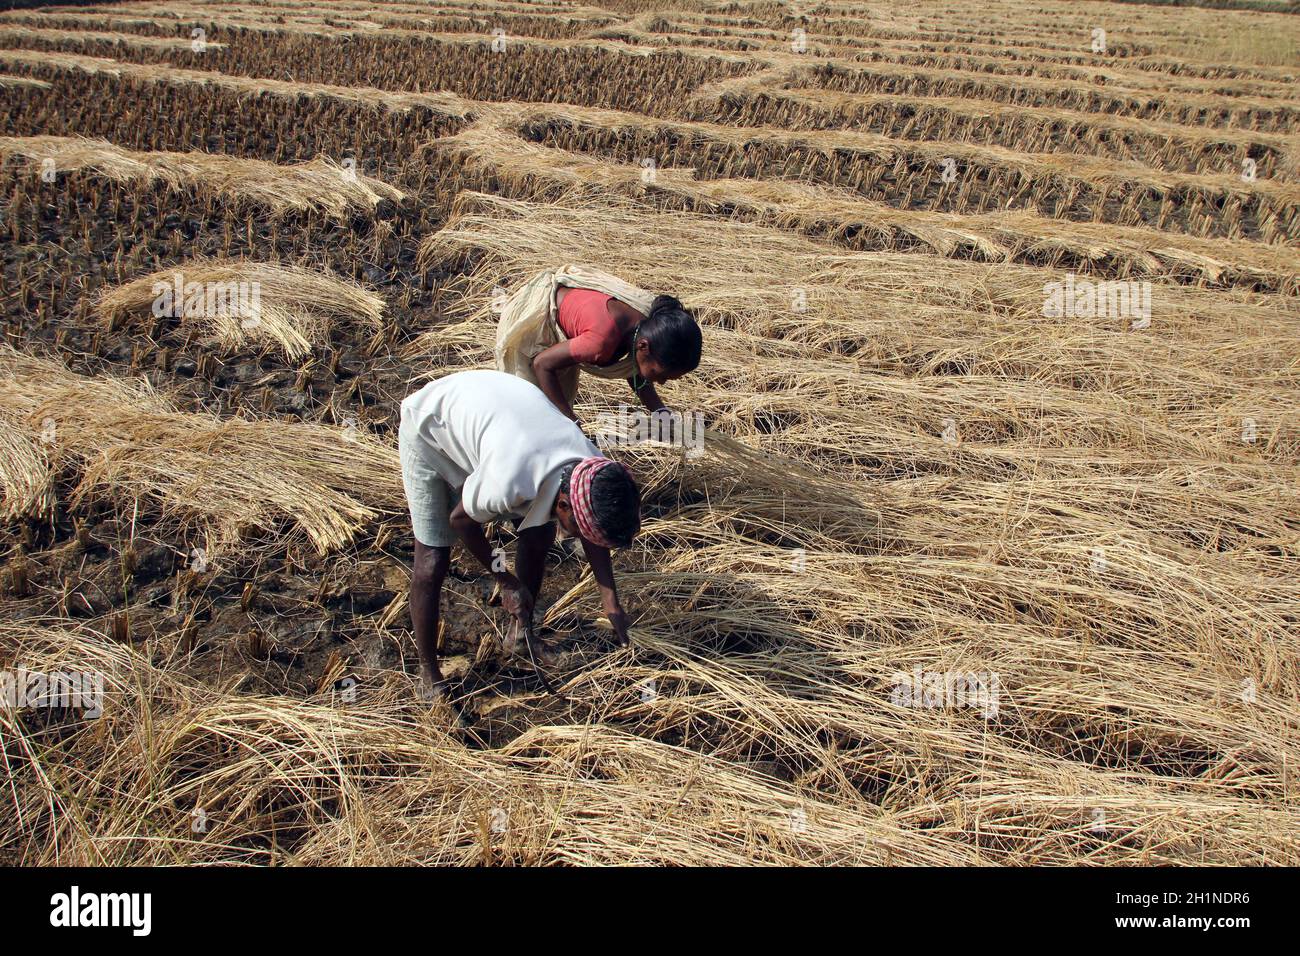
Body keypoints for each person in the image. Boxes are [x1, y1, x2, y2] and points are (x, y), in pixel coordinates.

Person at [398, 368, 641, 698]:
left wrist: (611, 604)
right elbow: (462, 521)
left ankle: (520, 637)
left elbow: (593, 532)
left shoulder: (593, 468)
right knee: (432, 560)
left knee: (539, 535)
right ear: (565, 505)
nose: (576, 537)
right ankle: (428, 674)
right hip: (431, 425)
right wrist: (506, 580)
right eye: (576, 528)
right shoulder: (509, 482)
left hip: (494, 418)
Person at [494, 265, 702, 426]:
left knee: (557, 409)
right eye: (662, 374)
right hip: (538, 321)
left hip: (577, 329)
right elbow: (542, 364)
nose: (662, 382)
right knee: (534, 409)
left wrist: (661, 413)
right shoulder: (600, 343)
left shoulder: (650, 325)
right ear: (644, 347)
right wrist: (570, 420)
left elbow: (635, 370)